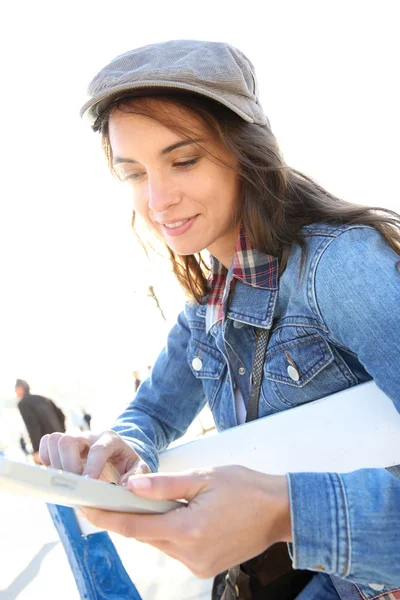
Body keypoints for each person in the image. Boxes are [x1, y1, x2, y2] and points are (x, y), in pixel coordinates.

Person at [39, 40, 400, 600]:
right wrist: (116, 445)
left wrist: (286, 513)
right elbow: (154, 410)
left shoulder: (341, 268)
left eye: (183, 160)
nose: (157, 199)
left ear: (246, 150)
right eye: (133, 172)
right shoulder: (209, 300)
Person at [15, 379, 66, 464]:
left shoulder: (24, 403)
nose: (15, 392)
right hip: (60, 439)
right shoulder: (44, 398)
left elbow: (33, 426)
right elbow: (61, 415)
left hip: (46, 445)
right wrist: (61, 431)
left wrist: (37, 450)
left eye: (15, 389)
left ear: (20, 388)